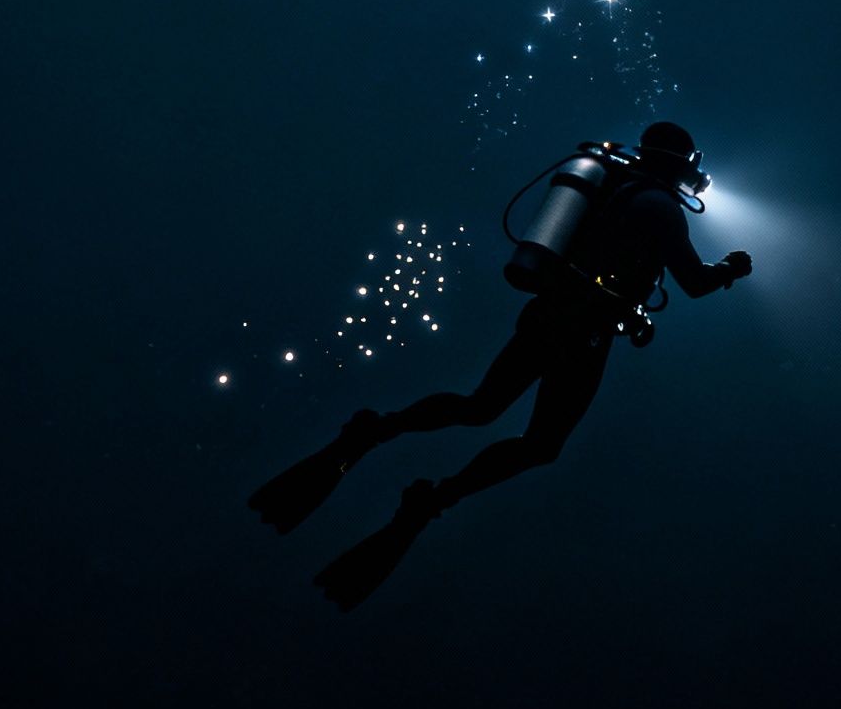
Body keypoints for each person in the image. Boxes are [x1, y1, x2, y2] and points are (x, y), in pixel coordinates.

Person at [249, 121, 754, 611]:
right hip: (585, 334)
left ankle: (376, 430)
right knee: (541, 445)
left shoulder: (613, 187)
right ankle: (434, 500)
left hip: (548, 313)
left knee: (479, 406)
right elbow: (694, 283)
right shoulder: (661, 207)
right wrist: (731, 268)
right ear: (677, 165)